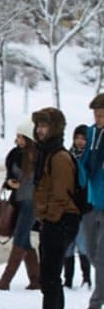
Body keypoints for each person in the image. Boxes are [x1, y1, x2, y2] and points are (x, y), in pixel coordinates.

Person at [25, 108, 81, 309]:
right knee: (49, 274)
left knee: (50, 274)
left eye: (44, 125)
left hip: (61, 219)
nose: (39, 130)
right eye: (37, 125)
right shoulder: (44, 153)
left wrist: (50, 217)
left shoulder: (58, 156)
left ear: (55, 128)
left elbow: (61, 194)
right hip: (51, 219)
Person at [0, 120, 41, 291]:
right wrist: (9, 183)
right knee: (24, 240)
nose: (18, 140)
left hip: (32, 203)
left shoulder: (38, 156)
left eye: (21, 137)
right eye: (17, 136)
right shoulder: (14, 154)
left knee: (19, 239)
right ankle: (36, 280)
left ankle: (5, 280)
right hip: (17, 201)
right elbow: (9, 177)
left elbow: (40, 182)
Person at [78, 93, 104, 309]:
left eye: (102, 115)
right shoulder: (90, 132)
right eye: (96, 114)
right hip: (90, 200)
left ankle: (95, 304)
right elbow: (84, 163)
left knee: (102, 256)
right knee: (91, 252)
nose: (98, 118)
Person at [64, 124, 91, 289]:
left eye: (83, 139)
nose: (80, 142)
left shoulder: (91, 157)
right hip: (68, 205)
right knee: (67, 245)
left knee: (82, 243)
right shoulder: (67, 155)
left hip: (84, 206)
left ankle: (86, 278)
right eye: (77, 138)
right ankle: (67, 279)